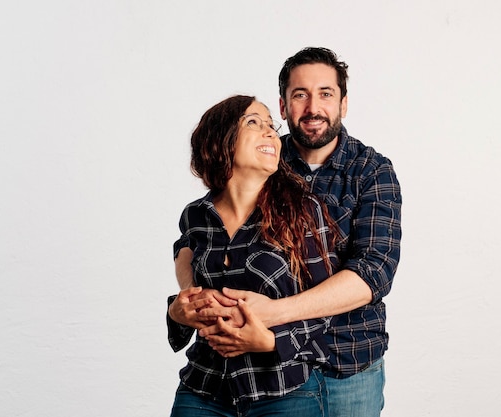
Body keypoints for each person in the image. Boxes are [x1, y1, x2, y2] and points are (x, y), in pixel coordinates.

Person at [168, 47, 402, 416]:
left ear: (343, 104)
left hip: (348, 361)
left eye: (326, 93)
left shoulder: (371, 171)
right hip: (262, 369)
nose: (313, 107)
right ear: (283, 105)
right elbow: (196, 238)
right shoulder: (264, 159)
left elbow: (373, 271)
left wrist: (272, 315)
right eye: (300, 95)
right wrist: (192, 298)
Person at [168, 94, 339, 417]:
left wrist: (272, 342)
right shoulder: (196, 216)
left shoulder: (303, 211)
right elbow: (186, 264)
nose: (271, 132)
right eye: (253, 123)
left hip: (283, 390)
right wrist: (178, 312)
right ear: (221, 140)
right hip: (204, 387)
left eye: (271, 126)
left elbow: (324, 306)